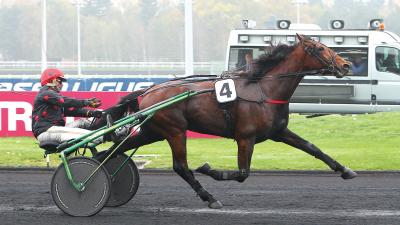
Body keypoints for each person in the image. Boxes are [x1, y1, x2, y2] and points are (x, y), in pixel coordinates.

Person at [32, 68, 104, 145]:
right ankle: (107, 136)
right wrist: (86, 102)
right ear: (51, 80)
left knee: (82, 122)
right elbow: (63, 101)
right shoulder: (46, 93)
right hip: (46, 131)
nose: (62, 84)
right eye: (60, 81)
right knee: (84, 134)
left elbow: (71, 110)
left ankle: (106, 127)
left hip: (53, 130)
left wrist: (92, 113)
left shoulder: (52, 96)